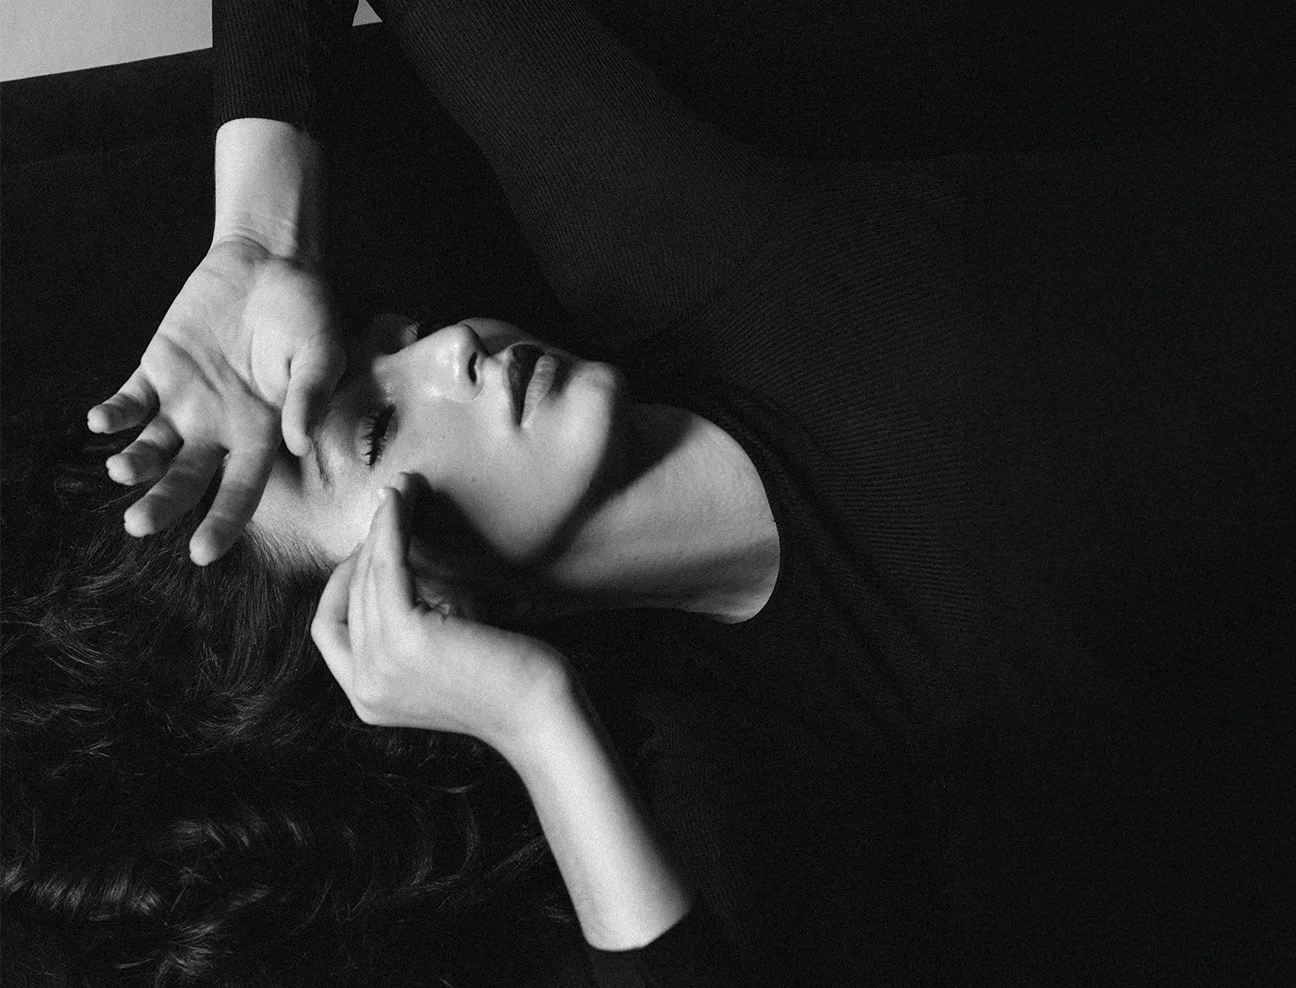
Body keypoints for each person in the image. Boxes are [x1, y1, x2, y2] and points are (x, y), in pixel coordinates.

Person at [6, 0, 1290, 986]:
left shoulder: (670, 245)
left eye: (381, 344)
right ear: (414, 613)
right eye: (379, 422)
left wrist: (259, 239)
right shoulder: (770, 764)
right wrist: (539, 726)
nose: (445, 348)